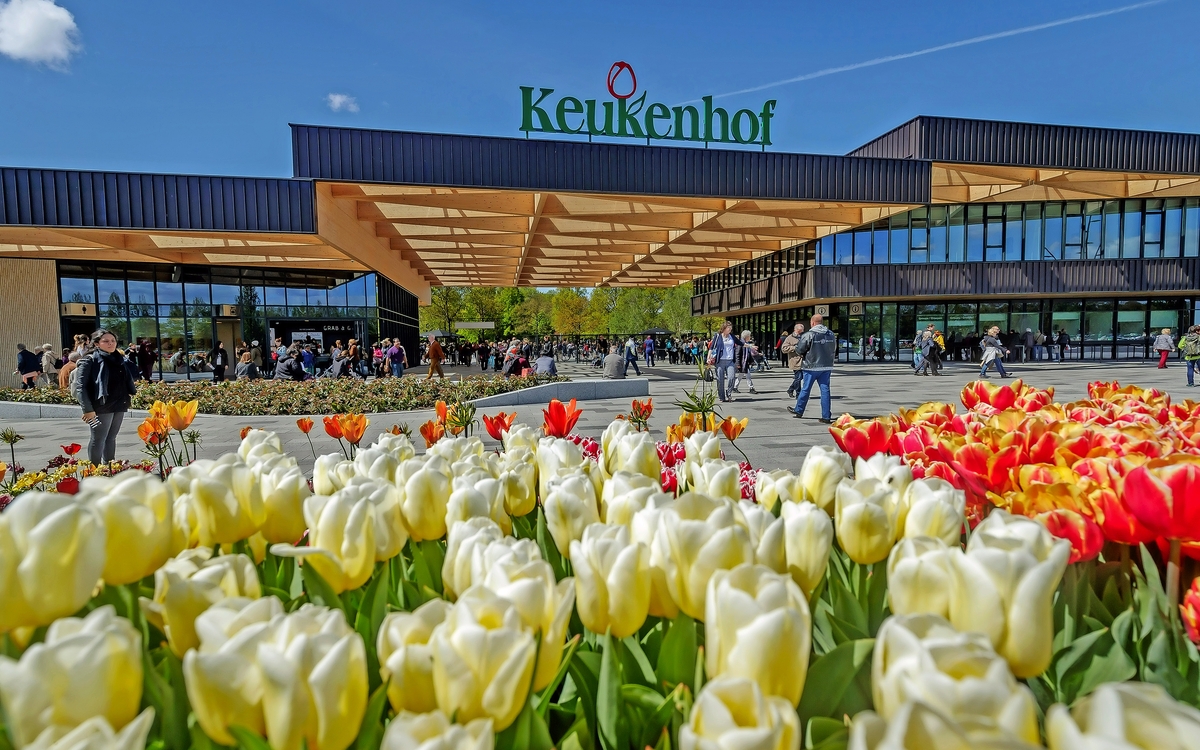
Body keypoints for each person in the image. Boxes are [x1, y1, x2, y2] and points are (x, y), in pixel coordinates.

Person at [76, 329, 139, 465]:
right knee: (98, 438)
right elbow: (81, 387)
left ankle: (109, 467)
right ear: (97, 343)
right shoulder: (89, 360)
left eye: (113, 341)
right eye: (106, 341)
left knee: (111, 437)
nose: (110, 343)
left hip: (119, 403)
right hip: (99, 407)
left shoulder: (120, 359)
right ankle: (94, 470)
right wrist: (87, 410)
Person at [788, 314, 836, 423]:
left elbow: (800, 349)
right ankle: (826, 416)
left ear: (812, 322)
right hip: (826, 366)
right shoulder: (831, 334)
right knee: (825, 390)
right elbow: (834, 349)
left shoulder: (809, 334)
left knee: (806, 389)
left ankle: (799, 410)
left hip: (811, 366)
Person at [707, 322, 740, 403]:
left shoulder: (732, 336)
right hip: (720, 361)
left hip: (730, 361)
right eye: (729, 328)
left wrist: (750, 346)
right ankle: (721, 397)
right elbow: (711, 347)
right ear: (724, 328)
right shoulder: (718, 336)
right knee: (720, 380)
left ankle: (729, 393)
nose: (730, 329)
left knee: (731, 378)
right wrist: (708, 357)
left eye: (731, 328)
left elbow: (740, 343)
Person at [781, 323, 805, 398]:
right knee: (798, 377)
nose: (800, 333)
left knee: (801, 377)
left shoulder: (804, 337)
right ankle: (798, 394)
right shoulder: (789, 338)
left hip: (804, 361)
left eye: (802, 331)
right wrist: (794, 348)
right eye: (799, 331)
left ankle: (791, 389)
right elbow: (783, 349)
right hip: (794, 361)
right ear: (795, 330)